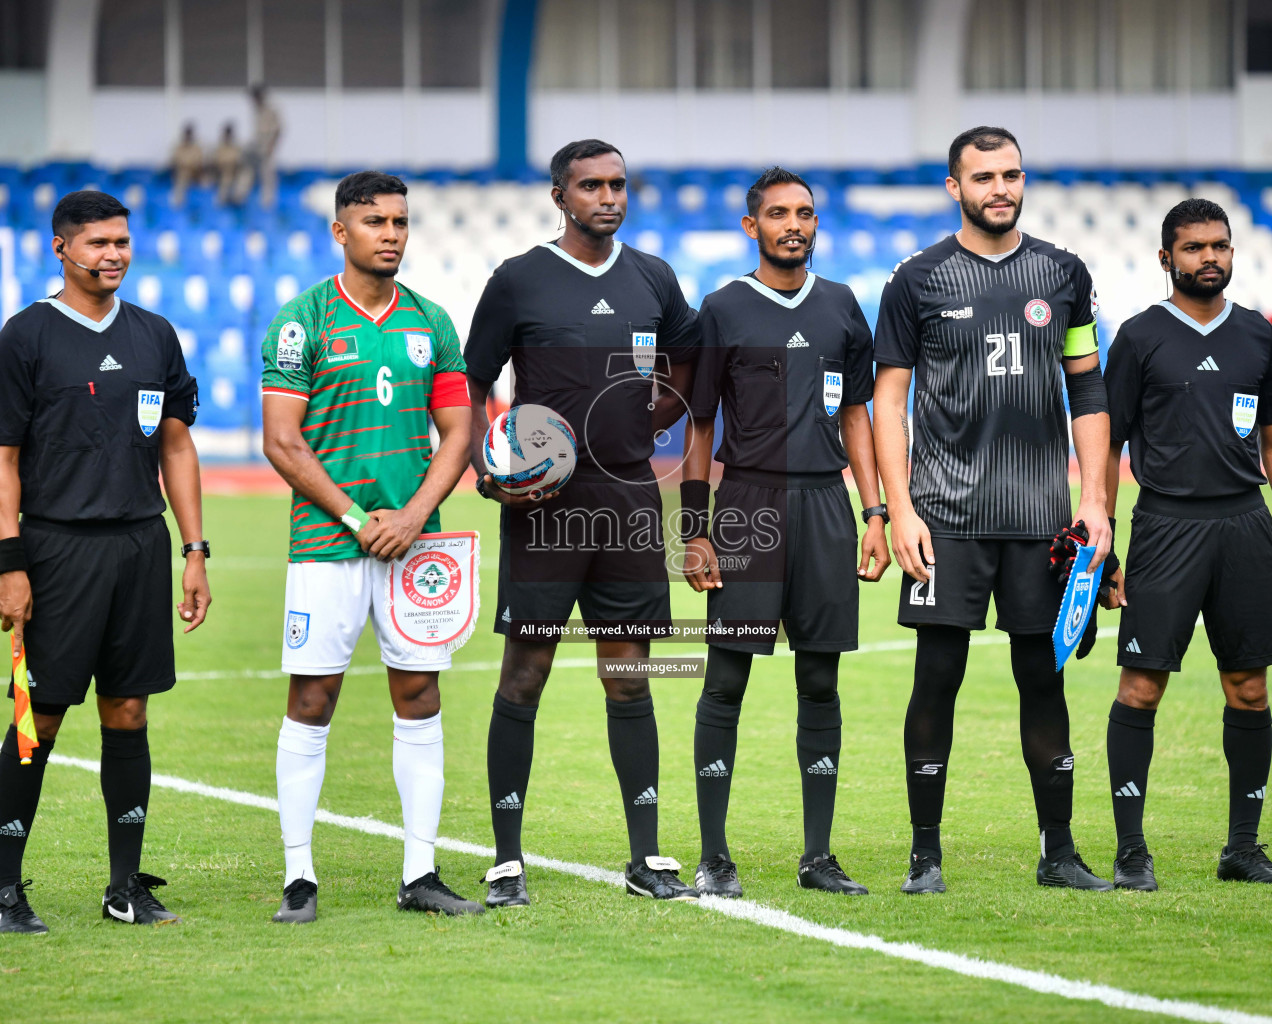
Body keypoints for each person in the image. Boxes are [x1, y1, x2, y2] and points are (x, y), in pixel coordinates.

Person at [871, 126, 1114, 895]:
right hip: (944, 518)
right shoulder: (917, 279)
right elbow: (887, 402)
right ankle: (924, 857)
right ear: (955, 186)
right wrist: (899, 510)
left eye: (1011, 174)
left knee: (1045, 681)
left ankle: (1060, 852)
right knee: (936, 676)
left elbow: (1089, 389)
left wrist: (1097, 501)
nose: (1000, 188)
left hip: (1043, 521)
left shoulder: (1064, 274)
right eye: (984, 176)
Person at [465, 139, 700, 906]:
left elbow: (692, 359)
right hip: (544, 509)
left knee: (629, 677)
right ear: (560, 196)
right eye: (591, 185)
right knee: (524, 676)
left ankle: (648, 858)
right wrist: (485, 468)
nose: (608, 196)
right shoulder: (518, 281)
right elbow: (470, 382)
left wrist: (658, 413)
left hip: (630, 501)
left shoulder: (654, 278)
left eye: (618, 184)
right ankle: (506, 861)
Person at [0, 189, 211, 934]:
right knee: (35, 721)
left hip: (140, 546)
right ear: (62, 248)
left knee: (130, 710)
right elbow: (0, 459)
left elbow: (176, 444)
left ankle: (124, 889)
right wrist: (11, 563)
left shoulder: (154, 335)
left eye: (121, 241)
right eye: (97, 243)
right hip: (56, 552)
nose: (112, 254)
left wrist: (194, 549)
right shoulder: (26, 338)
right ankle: (5, 894)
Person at [260, 171, 480, 920]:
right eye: (375, 221)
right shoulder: (304, 320)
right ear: (340, 232)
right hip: (328, 545)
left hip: (418, 549)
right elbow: (282, 443)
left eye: (400, 221)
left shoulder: (432, 322)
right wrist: (361, 519)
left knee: (420, 695)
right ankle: (299, 877)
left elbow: (459, 433)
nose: (391, 233)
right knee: (312, 698)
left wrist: (415, 515)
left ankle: (420, 874)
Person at [680, 167, 889, 898]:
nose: (793, 224)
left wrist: (875, 512)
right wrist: (695, 530)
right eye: (777, 213)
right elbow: (701, 425)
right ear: (752, 226)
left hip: (828, 509)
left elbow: (856, 414)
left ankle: (818, 856)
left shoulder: (840, 306)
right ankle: (714, 855)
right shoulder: (722, 308)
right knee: (727, 678)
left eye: (803, 213)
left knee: (821, 680)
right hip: (748, 503)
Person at [1101, 198, 1272, 890]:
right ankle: (1132, 851)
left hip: (1245, 527)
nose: (1209, 258)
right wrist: (1101, 537)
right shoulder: (1138, 338)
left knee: (1249, 689)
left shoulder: (1260, 338)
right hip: (1164, 526)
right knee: (1141, 686)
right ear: (1166, 258)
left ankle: (1243, 849)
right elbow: (1106, 447)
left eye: (1219, 246)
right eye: (1193, 248)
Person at [248, 86, 282, 209]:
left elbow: (278, 129)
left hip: (267, 147)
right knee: (250, 171)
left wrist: (271, 145)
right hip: (258, 146)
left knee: (268, 174)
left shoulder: (271, 110)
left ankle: (268, 203)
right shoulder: (257, 111)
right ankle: (244, 199)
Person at [170, 123, 207, 207]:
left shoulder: (197, 148)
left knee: (207, 182)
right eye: (187, 134)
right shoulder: (178, 148)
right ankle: (179, 204)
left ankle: (205, 207)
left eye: (190, 134)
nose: (188, 136)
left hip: (196, 174)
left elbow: (200, 164)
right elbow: (174, 164)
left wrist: (198, 171)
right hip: (183, 173)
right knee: (181, 179)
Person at [214, 123, 245, 205]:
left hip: (235, 172)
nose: (228, 136)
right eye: (227, 133)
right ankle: (221, 199)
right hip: (221, 173)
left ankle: (238, 198)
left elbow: (239, 161)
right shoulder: (219, 147)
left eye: (230, 133)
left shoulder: (237, 146)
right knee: (226, 176)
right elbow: (217, 162)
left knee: (245, 176)